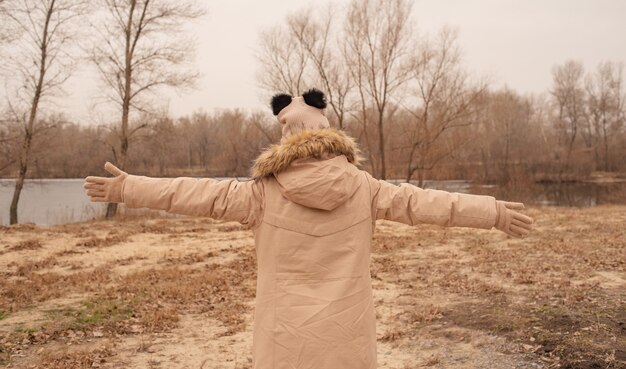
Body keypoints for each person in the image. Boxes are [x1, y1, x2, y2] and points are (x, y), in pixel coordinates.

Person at [84, 88, 533, 369]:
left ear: (285, 140)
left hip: (284, 344)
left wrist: (129, 189)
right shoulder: (365, 188)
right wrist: (491, 211)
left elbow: (192, 193)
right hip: (347, 339)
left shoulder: (259, 192)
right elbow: (428, 203)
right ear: (328, 129)